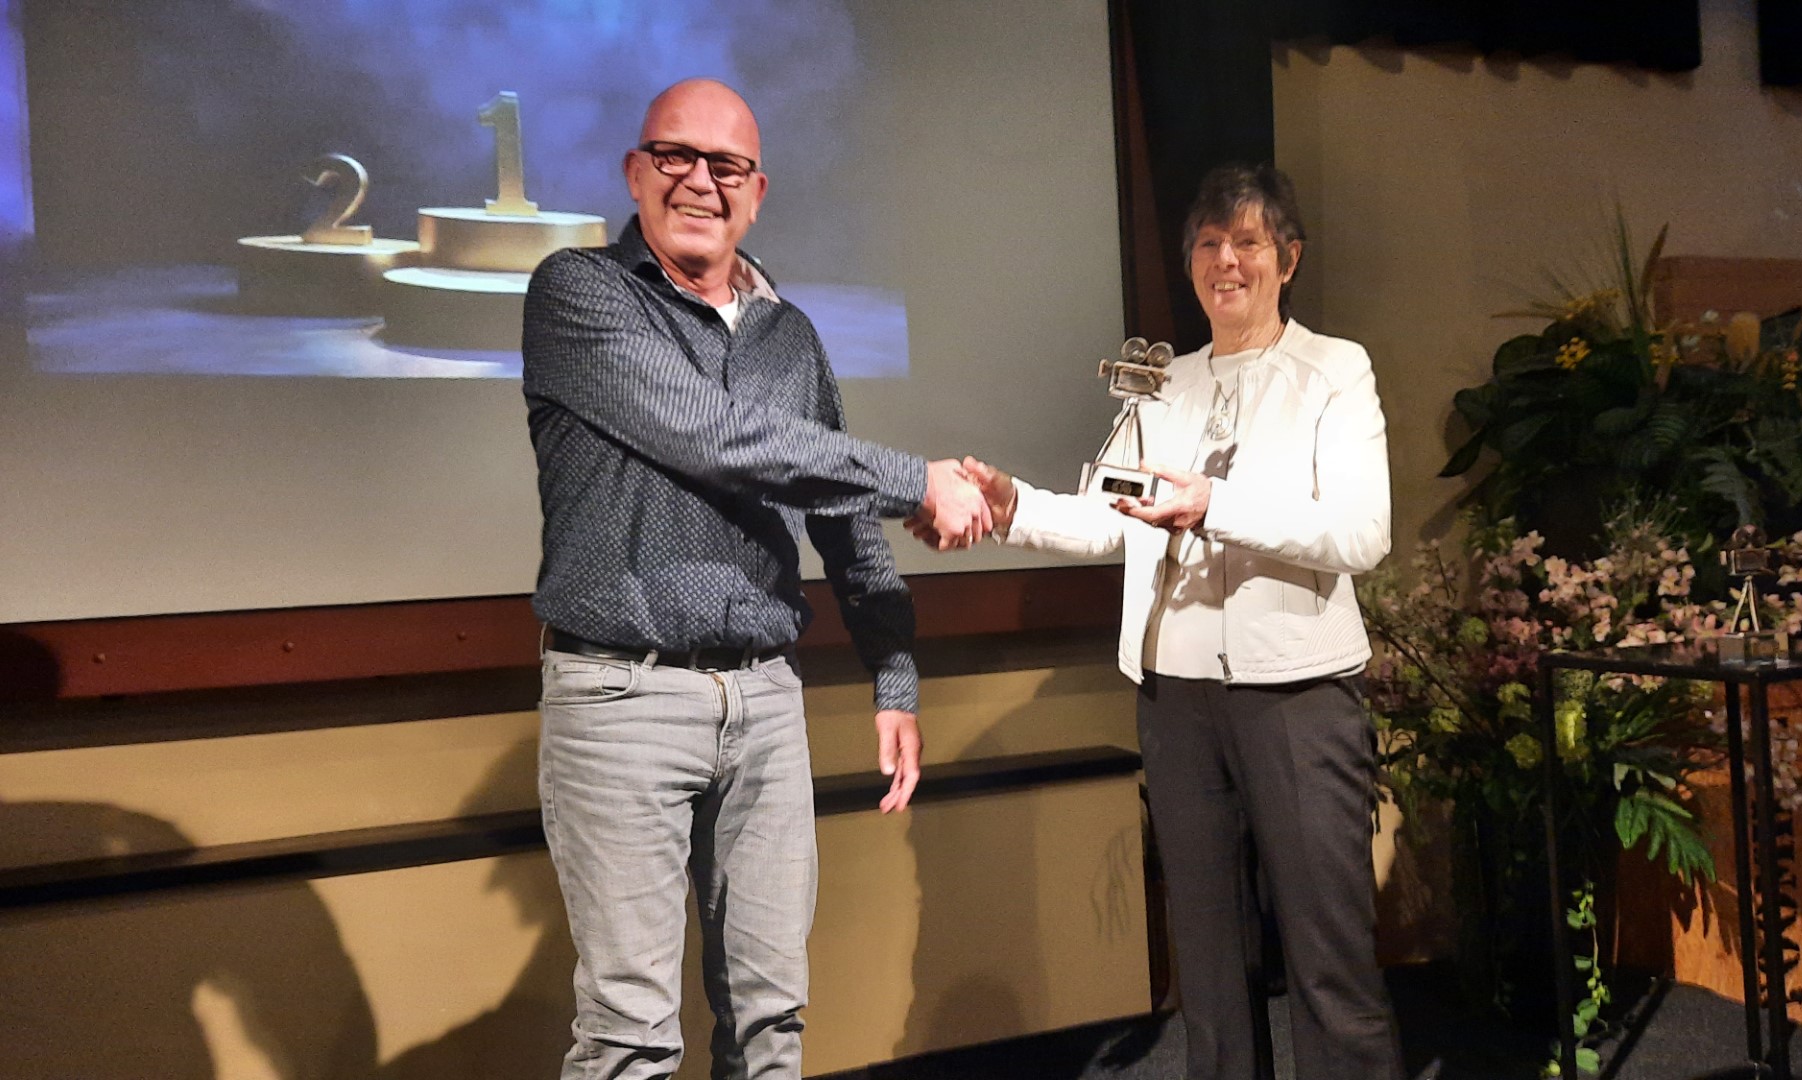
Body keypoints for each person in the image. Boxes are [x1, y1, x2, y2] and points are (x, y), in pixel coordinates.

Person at [520, 78, 992, 1080]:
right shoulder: (579, 292)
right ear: (635, 173)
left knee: (772, 1024)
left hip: (766, 704)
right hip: (622, 695)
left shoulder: (791, 336)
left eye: (726, 165)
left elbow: (839, 516)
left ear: (758, 191)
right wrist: (920, 480)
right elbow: (718, 437)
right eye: (675, 156)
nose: (700, 181)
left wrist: (894, 674)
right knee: (630, 1036)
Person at [921, 163, 1401, 1080]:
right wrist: (1014, 505)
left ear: (1289, 258)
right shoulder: (1163, 384)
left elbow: (1360, 533)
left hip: (1297, 696)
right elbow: (1110, 518)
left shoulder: (1334, 370)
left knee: (1329, 959)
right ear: (1190, 265)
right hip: (1176, 700)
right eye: (1209, 244)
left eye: (1249, 242)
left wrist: (1213, 504)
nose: (1228, 261)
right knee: (1209, 969)